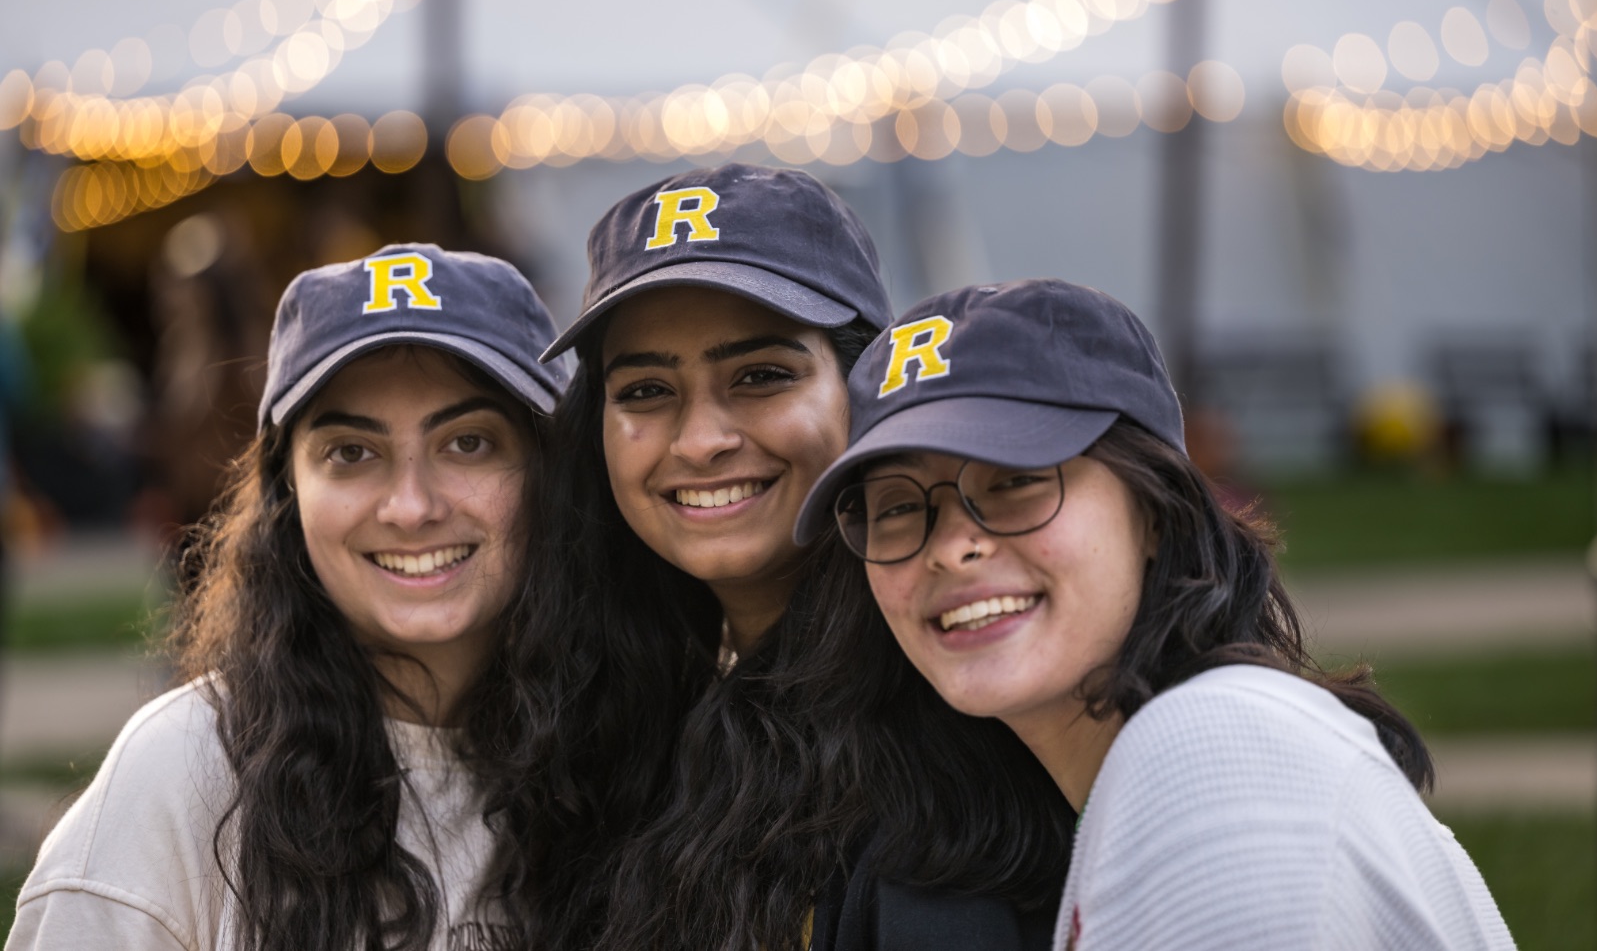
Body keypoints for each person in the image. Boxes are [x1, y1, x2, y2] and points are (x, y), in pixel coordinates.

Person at [797, 279, 1515, 951]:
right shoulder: (1144, 768)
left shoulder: (1212, 758)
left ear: (1154, 513)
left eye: (1015, 481)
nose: (953, 548)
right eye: (895, 506)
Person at [518, 165, 1074, 951]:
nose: (702, 439)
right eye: (644, 390)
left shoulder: (948, 730)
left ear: (865, 387)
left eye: (762, 376)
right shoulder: (624, 703)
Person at [7, 243, 568, 951]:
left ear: (552, 473)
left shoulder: (640, 757)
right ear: (287, 495)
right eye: (351, 453)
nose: (411, 505)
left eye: (468, 443)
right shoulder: (180, 781)